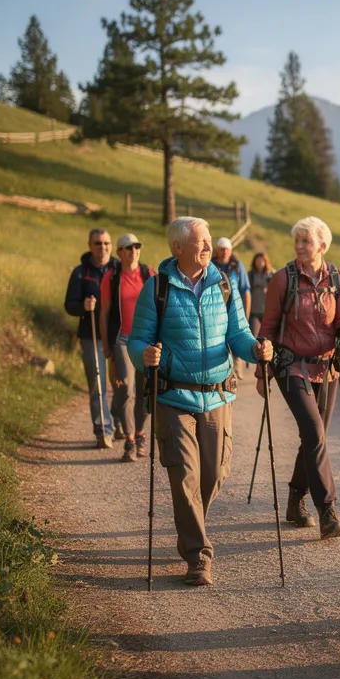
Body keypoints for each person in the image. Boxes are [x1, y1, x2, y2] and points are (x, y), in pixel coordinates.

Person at [127, 217, 269, 587]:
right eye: (200, 241)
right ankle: (197, 555)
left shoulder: (223, 284)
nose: (208, 247)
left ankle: (190, 527)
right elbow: (137, 339)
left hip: (217, 394)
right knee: (185, 475)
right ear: (178, 248)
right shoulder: (157, 287)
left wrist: (255, 349)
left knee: (215, 473)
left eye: (208, 240)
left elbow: (238, 334)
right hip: (173, 395)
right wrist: (144, 355)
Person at [256, 218, 340, 538]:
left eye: (305, 241)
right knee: (313, 430)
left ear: (322, 246)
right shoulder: (282, 279)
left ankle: (296, 500)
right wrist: (261, 371)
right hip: (291, 365)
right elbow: (268, 326)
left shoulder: (339, 279)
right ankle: (328, 510)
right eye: (296, 240)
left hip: (327, 368)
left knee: (314, 437)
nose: (298, 246)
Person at [99, 233, 155, 463]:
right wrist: (106, 344)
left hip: (147, 341)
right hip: (122, 340)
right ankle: (130, 439)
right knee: (126, 390)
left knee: (145, 392)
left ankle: (140, 434)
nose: (133, 251)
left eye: (136, 247)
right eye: (128, 248)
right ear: (119, 252)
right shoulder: (112, 278)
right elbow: (104, 313)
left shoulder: (149, 274)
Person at [64, 228, 116, 448]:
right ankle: (103, 430)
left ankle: (120, 422)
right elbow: (70, 305)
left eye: (106, 243)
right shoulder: (80, 272)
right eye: (97, 243)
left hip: (117, 335)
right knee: (97, 381)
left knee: (123, 384)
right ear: (90, 246)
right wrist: (83, 306)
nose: (102, 247)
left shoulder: (118, 269)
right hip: (91, 334)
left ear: (111, 246)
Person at [213, 236, 253, 378]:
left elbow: (245, 291)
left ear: (231, 251)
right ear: (217, 250)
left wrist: (246, 314)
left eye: (227, 249)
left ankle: (237, 363)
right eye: (221, 249)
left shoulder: (237, 266)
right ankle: (226, 370)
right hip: (216, 309)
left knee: (236, 336)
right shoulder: (210, 265)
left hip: (235, 308)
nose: (224, 252)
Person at [247, 252, 275, 338]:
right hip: (254, 312)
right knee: (254, 336)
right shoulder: (250, 275)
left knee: (268, 338)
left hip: (267, 313)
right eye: (258, 261)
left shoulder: (272, 275)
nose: (259, 263)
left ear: (265, 262)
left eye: (261, 261)